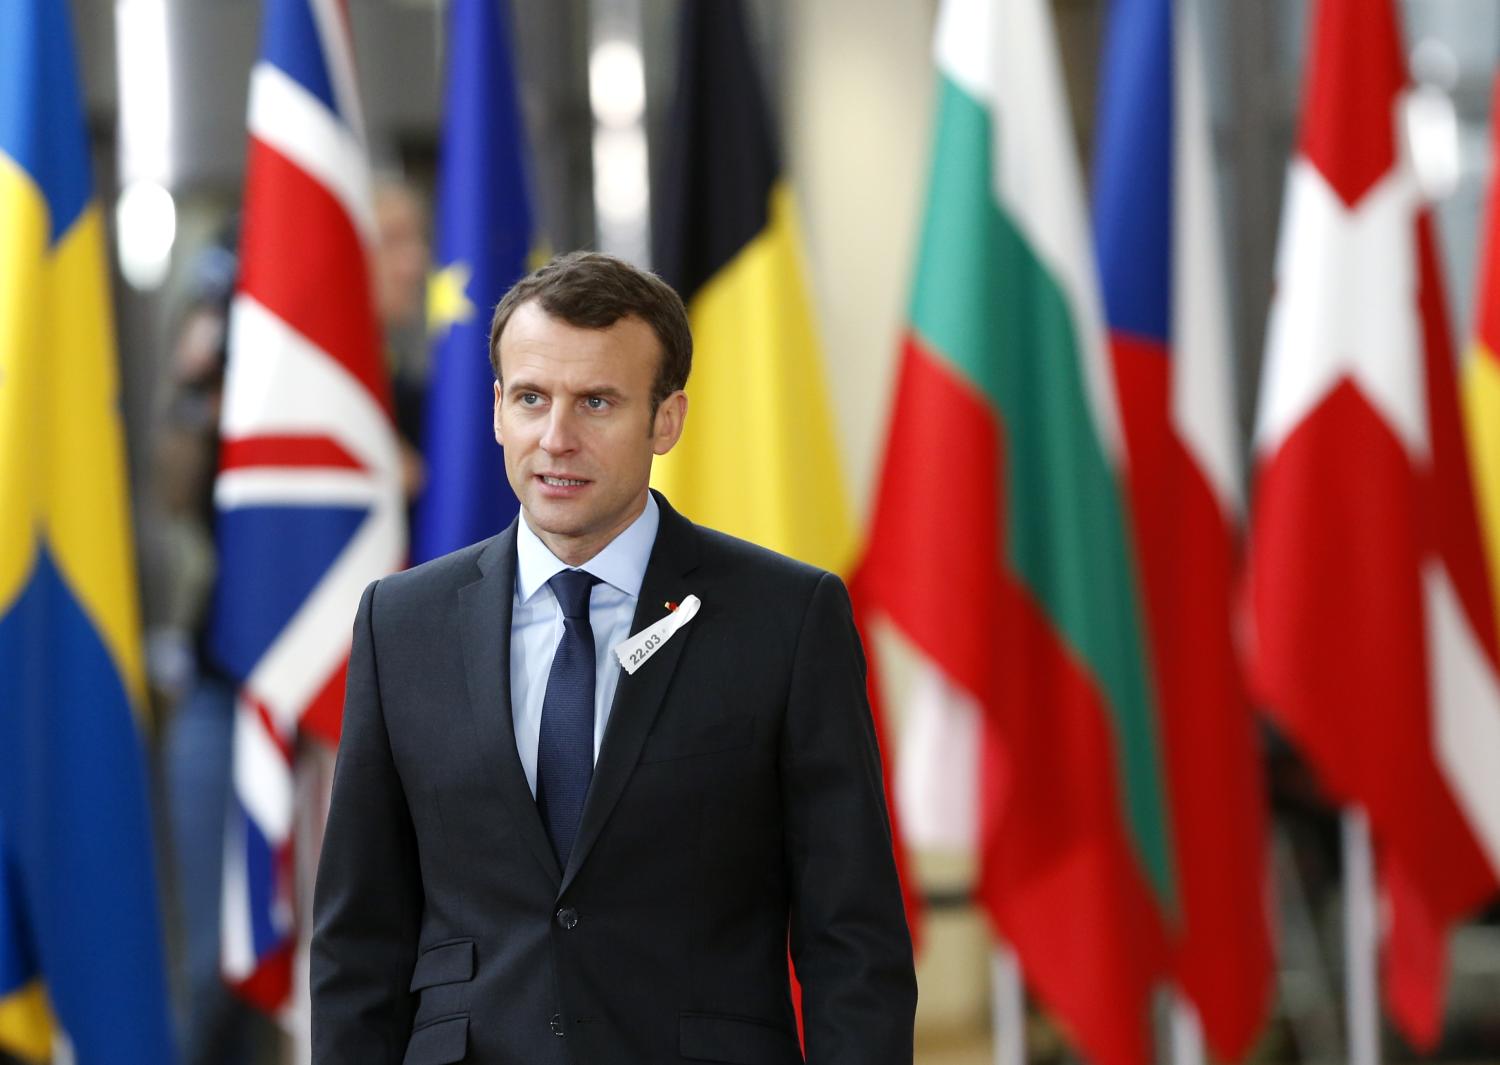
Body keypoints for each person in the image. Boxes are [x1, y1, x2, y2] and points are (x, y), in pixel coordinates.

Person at [311, 251, 916, 1065]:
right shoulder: (400, 623)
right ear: (496, 409)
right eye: (531, 398)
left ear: (666, 419)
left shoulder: (787, 618)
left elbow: (855, 941)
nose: (556, 439)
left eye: (596, 401)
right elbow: (359, 943)